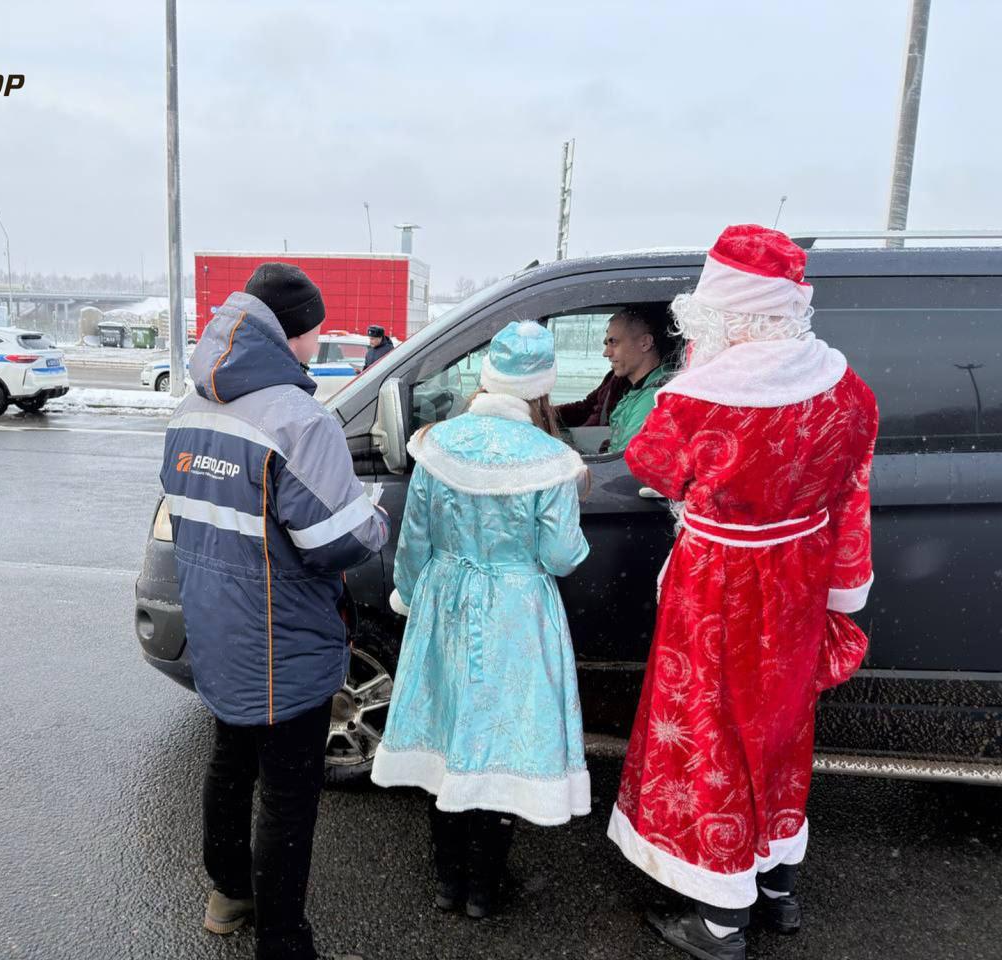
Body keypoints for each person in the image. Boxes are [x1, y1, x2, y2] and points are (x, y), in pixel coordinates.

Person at [607, 225, 879, 960]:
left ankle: (721, 919)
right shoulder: (848, 390)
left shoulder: (700, 397)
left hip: (719, 584)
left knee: (711, 733)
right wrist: (844, 592)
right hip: (799, 581)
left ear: (724, 312)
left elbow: (652, 462)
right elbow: (853, 497)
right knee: (781, 728)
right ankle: (778, 890)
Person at [159, 262, 390, 960]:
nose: (321, 341)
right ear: (296, 333)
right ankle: (284, 941)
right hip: (283, 636)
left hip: (217, 627)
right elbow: (336, 541)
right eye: (317, 329)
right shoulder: (296, 418)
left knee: (230, 763)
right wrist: (372, 517)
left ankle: (228, 895)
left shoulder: (191, 408)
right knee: (288, 796)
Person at [371, 320, 592, 920]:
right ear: (541, 389)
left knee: (447, 730)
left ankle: (448, 881)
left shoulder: (438, 444)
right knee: (500, 735)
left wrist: (410, 596)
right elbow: (561, 556)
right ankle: (484, 889)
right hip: (517, 610)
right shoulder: (552, 460)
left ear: (487, 379)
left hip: (446, 597)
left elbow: (413, 540)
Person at [556, 306, 671, 453]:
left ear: (645, 343)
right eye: (607, 343)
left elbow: (622, 466)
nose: (606, 353)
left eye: (614, 342)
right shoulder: (636, 388)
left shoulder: (652, 399)